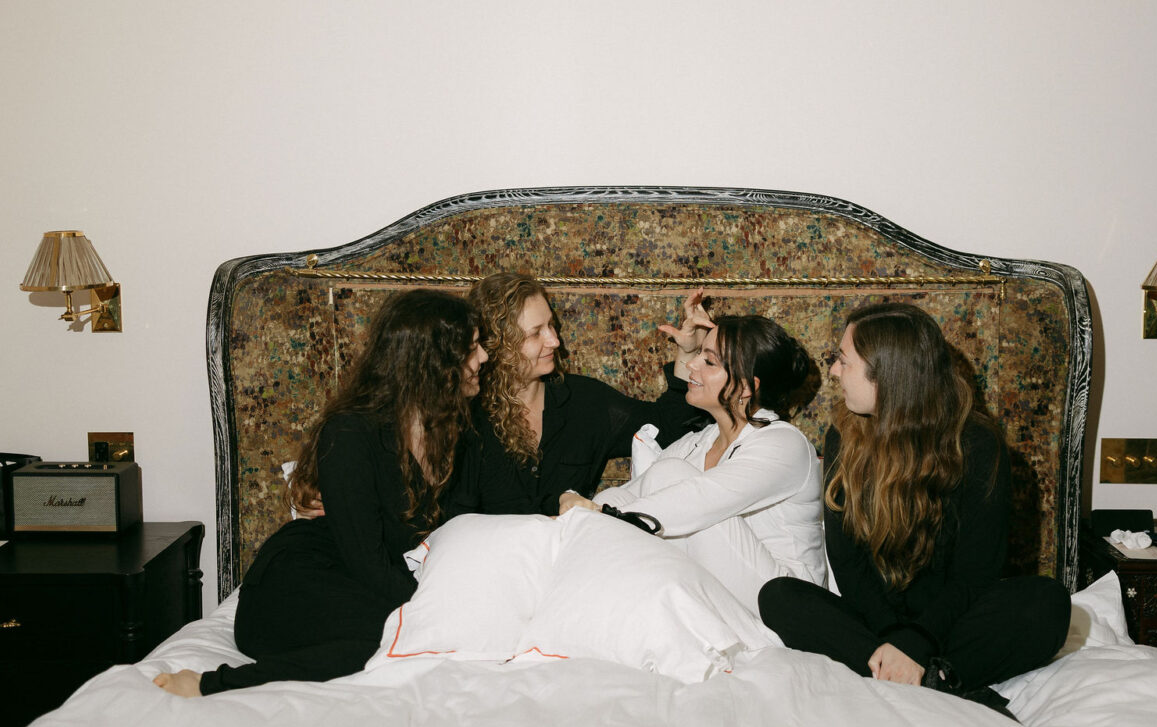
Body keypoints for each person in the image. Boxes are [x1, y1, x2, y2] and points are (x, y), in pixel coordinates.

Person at [154, 289, 486, 697]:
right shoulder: (351, 433)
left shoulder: (456, 431)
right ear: (430, 362)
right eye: (471, 349)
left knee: (423, 638)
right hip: (300, 580)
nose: (483, 357)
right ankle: (213, 683)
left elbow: (489, 518)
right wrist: (435, 607)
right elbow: (365, 559)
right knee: (398, 637)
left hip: (369, 584)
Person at [757, 302, 1070, 708]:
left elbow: (975, 574)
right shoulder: (843, 435)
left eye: (843, 360)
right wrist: (895, 637)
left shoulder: (976, 444)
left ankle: (915, 676)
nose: (834, 371)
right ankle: (936, 681)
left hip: (950, 622)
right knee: (779, 597)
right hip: (875, 622)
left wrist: (918, 640)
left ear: (888, 374)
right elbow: (847, 563)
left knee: (1047, 603)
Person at [561, 310, 824, 607]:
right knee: (656, 484)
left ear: (746, 387)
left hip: (790, 605)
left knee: (670, 478)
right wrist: (573, 507)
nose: (692, 365)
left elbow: (696, 499)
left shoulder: (784, 444)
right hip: (730, 592)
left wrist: (601, 516)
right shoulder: (697, 442)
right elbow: (628, 494)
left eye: (708, 361)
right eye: (698, 354)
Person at [446, 272, 706, 516]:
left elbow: (667, 428)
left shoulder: (585, 402)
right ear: (498, 345)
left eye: (551, 325)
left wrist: (688, 352)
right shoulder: (465, 416)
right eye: (536, 333)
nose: (554, 341)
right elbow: (450, 519)